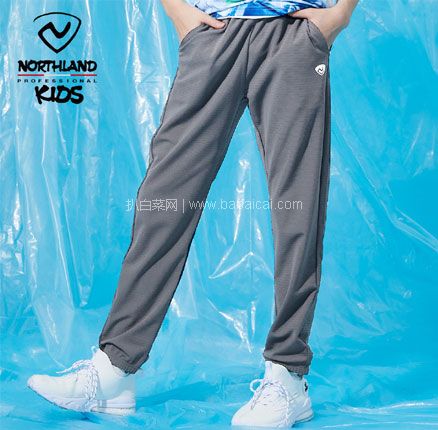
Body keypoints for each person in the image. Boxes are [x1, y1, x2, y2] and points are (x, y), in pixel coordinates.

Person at [27, 0, 358, 426]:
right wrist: (174, 8)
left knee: (298, 206)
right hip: (215, 29)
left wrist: (341, 13)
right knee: (164, 199)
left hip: (293, 32)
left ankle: (287, 375)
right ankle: (115, 370)